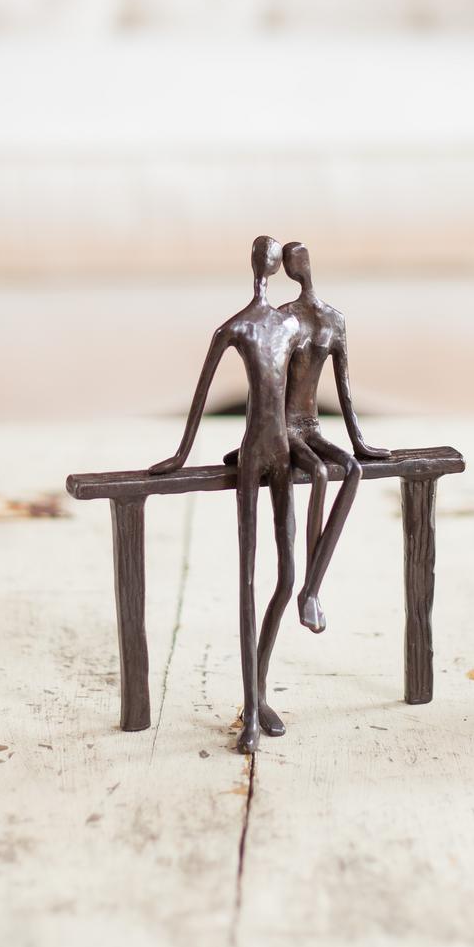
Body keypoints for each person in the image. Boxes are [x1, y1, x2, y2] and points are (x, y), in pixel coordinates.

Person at [149, 236, 302, 754]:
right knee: (249, 581)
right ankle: (251, 713)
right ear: (260, 265)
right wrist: (180, 454)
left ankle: (259, 693)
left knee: (287, 578)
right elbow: (202, 396)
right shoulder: (236, 327)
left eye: (274, 257)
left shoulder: (290, 325)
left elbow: (300, 398)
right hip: (255, 452)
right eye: (267, 257)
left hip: (285, 451)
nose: (271, 264)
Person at [228, 242, 389, 633]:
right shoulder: (284, 320)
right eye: (289, 261)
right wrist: (253, 435)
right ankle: (308, 592)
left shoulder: (334, 320)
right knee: (317, 474)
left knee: (352, 470)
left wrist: (360, 442)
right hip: (283, 427)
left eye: (298, 258)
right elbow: (264, 384)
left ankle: (312, 588)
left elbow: (345, 390)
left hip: (311, 425)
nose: (295, 266)